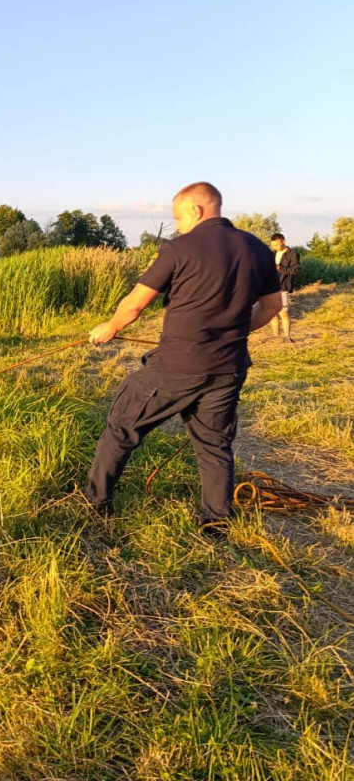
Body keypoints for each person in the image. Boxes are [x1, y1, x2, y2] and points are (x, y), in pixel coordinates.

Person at [85, 182, 282, 537]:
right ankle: (216, 522)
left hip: (176, 364)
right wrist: (233, 333)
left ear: (196, 210)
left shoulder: (179, 247)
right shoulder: (258, 249)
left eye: (178, 217)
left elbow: (136, 302)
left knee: (121, 428)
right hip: (229, 365)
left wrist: (110, 327)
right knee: (214, 444)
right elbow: (272, 307)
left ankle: (95, 504)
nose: (176, 225)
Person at [268, 233, 299, 342]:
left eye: (277, 245)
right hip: (271, 286)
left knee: (283, 312)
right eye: (273, 245)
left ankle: (287, 337)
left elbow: (295, 270)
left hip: (283, 286)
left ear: (283, 241)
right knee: (272, 312)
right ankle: (276, 336)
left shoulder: (292, 254)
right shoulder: (272, 254)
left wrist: (280, 268)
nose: (275, 247)